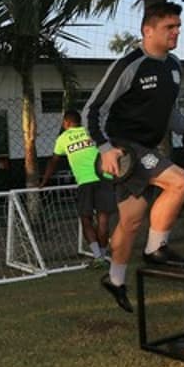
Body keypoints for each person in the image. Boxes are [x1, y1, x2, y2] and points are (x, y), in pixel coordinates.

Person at [82, 1, 184, 313]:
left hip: (147, 149)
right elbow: (92, 109)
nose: (176, 32)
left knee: (130, 222)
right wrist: (104, 148)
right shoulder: (129, 64)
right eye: (169, 27)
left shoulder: (174, 66)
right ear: (148, 30)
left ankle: (115, 280)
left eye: (177, 27)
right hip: (125, 150)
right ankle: (157, 248)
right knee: (180, 181)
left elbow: (168, 112)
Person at [40, 109, 116, 268]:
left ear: (66, 123)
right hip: (105, 178)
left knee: (86, 219)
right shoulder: (93, 132)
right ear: (80, 122)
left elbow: (53, 161)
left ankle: (98, 257)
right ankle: (102, 256)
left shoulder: (63, 138)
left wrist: (44, 181)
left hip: (85, 181)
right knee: (103, 220)